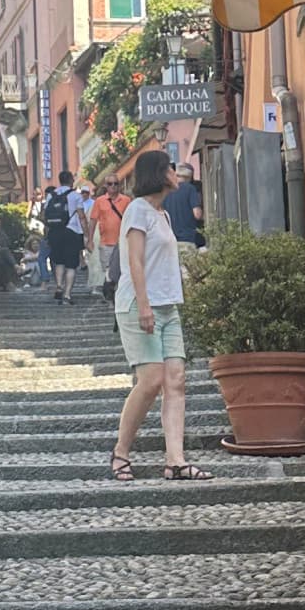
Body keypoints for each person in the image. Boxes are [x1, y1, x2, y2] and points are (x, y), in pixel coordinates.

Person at [111, 146, 211, 480]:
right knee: (151, 380)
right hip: (140, 305)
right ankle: (121, 453)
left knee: (176, 382)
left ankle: (176, 460)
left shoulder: (163, 215)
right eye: (171, 167)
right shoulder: (137, 210)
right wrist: (143, 305)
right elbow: (135, 262)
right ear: (158, 173)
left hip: (168, 307)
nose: (177, 172)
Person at [41, 170, 85, 303]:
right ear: (71, 180)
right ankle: (67, 294)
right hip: (71, 231)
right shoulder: (76, 196)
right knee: (71, 265)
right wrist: (86, 234)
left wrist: (48, 231)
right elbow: (82, 217)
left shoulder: (51, 195)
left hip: (55, 231)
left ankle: (59, 286)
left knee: (59, 261)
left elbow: (44, 216)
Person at [90, 179, 130, 302]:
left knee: (122, 269)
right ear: (105, 186)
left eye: (116, 183)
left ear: (119, 185)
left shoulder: (126, 200)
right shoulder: (100, 201)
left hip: (122, 242)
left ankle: (117, 294)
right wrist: (89, 239)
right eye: (110, 184)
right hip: (106, 241)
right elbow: (93, 220)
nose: (113, 186)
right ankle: (110, 295)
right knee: (108, 270)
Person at [166, 161, 207, 248]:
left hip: (170, 240)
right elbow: (197, 214)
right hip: (187, 239)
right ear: (190, 177)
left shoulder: (166, 191)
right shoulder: (190, 189)